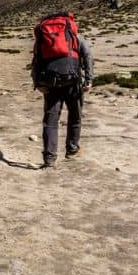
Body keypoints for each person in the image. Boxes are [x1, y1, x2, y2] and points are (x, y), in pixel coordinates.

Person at [31, 12, 93, 169]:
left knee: (50, 121)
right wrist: (89, 79)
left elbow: (36, 60)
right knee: (75, 116)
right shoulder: (74, 36)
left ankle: (49, 158)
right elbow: (88, 56)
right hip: (73, 81)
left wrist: (37, 82)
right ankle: (72, 150)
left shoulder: (44, 38)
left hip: (51, 84)